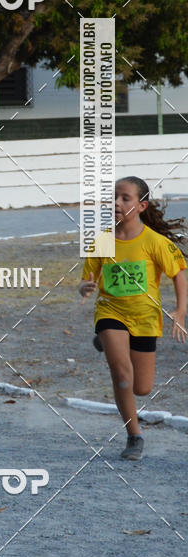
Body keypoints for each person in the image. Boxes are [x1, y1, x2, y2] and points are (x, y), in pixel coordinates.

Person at [79, 176, 187, 460]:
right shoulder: (102, 241)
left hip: (145, 319)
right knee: (122, 374)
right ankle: (134, 435)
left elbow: (179, 274)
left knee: (142, 387)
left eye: (125, 198)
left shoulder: (155, 242)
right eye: (114, 197)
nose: (116, 202)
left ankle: (107, 342)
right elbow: (86, 278)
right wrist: (85, 287)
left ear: (141, 206)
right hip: (110, 312)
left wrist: (180, 311)